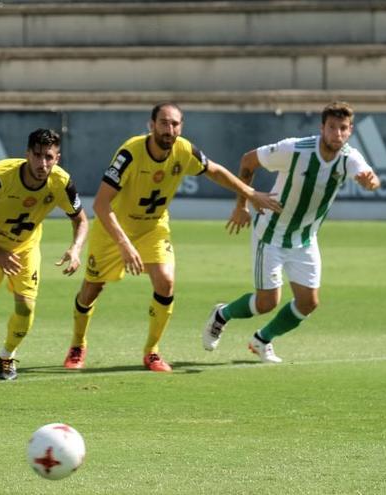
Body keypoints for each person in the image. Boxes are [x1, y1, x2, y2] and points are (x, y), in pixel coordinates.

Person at [64, 102, 282, 372]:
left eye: (175, 124)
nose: (170, 129)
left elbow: (215, 171)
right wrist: (124, 244)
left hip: (153, 228)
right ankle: (77, 344)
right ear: (151, 125)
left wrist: (248, 195)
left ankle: (152, 352)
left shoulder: (184, 150)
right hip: (114, 229)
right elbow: (100, 205)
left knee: (166, 282)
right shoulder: (130, 153)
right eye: (164, 123)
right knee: (91, 290)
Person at [202, 101, 381, 362]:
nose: (337, 134)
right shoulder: (294, 149)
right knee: (267, 303)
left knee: (308, 302)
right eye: (332, 127)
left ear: (350, 130)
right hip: (271, 232)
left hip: (305, 238)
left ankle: (262, 340)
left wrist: (371, 183)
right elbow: (248, 161)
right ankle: (222, 315)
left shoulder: (349, 157)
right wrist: (242, 205)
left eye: (343, 128)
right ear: (322, 128)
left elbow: (370, 177)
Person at [0, 128, 88, 380]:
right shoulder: (0, 176)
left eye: (48, 157)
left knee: (25, 307)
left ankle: (7, 356)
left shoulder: (61, 183)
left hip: (24, 249)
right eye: (37, 155)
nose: (42, 163)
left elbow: (81, 220)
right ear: (27, 154)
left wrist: (76, 248)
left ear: (57, 158)